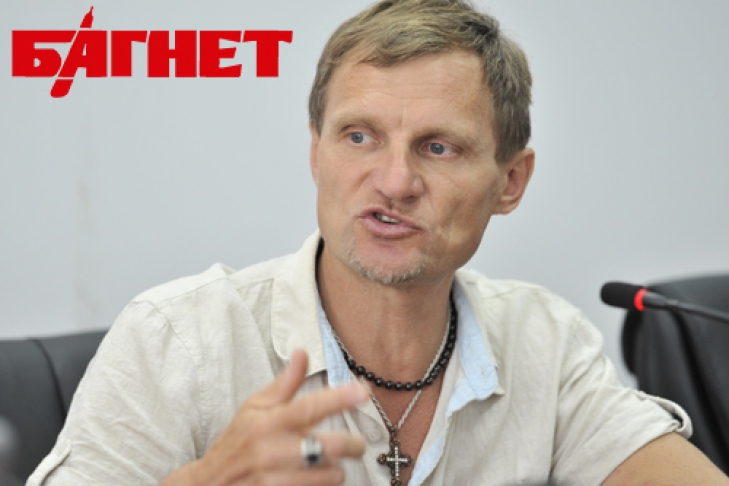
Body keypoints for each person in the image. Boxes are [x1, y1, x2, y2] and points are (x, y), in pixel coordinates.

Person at [29, 1, 729, 485]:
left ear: (510, 182)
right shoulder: (178, 339)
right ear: (316, 154)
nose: (394, 182)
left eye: (438, 146)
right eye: (359, 136)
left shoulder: (544, 340)